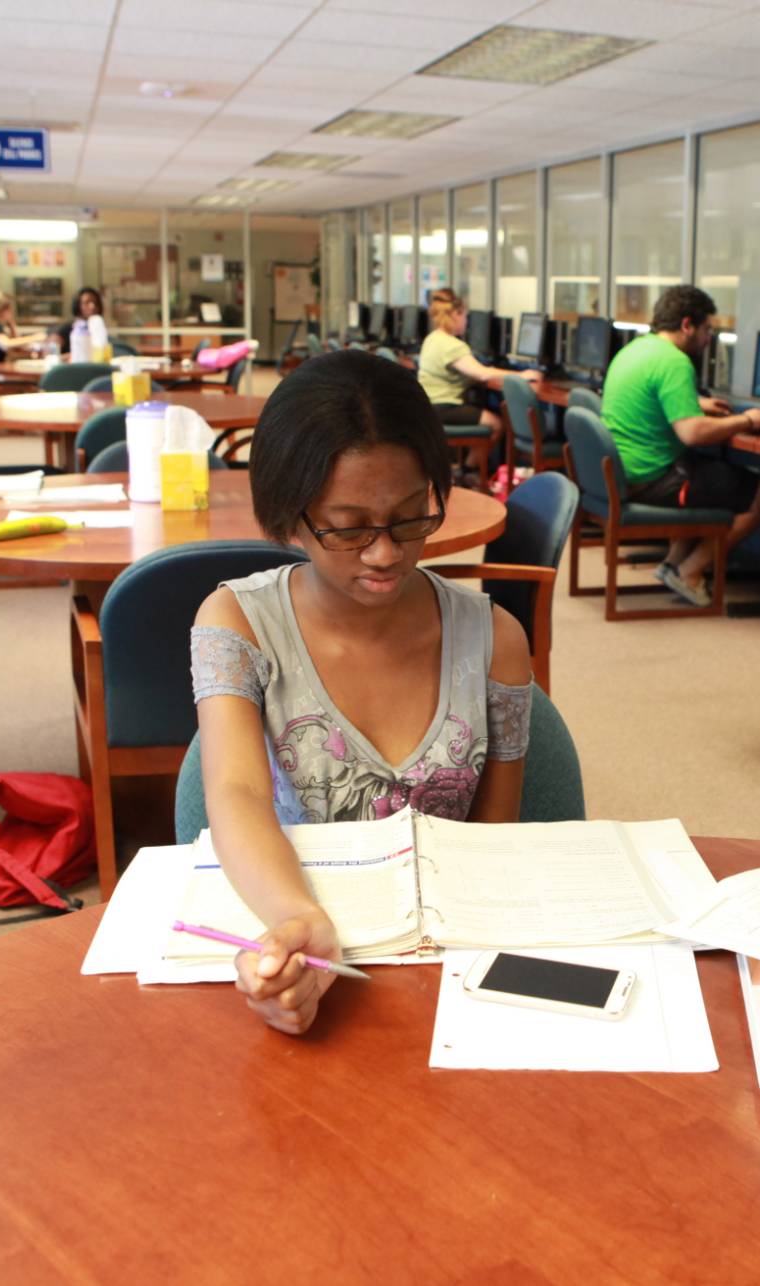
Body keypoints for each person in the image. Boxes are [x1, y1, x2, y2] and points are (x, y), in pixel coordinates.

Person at [189, 348, 534, 1034]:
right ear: (291, 516)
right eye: (348, 527)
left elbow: (495, 840)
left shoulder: (495, 638)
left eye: (410, 518)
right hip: (296, 935)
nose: (385, 554)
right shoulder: (237, 624)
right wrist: (295, 920)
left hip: (451, 974)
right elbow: (236, 793)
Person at [600, 285, 760, 608]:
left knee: (705, 474)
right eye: (707, 328)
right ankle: (691, 571)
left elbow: (652, 396)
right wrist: (748, 420)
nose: (710, 338)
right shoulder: (675, 362)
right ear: (686, 325)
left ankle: (671, 564)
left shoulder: (636, 350)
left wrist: (694, 401)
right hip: (650, 477)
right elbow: (693, 434)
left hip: (625, 472)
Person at [416, 288, 536, 481]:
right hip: (444, 407)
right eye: (465, 316)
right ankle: (467, 471)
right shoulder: (451, 345)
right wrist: (521, 375)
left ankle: (465, 471)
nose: (466, 322)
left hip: (429, 406)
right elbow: (481, 373)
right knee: (497, 424)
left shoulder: (432, 339)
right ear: (455, 315)